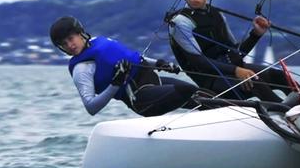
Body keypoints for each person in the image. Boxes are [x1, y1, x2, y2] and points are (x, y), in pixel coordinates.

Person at [166, 0, 296, 102]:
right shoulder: (180, 22)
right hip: (212, 82)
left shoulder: (217, 15)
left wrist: (256, 34)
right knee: (254, 81)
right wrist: (236, 71)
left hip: (231, 72)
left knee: (280, 76)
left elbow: (236, 53)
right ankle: (288, 114)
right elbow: (199, 62)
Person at [50, 16, 200, 117]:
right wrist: (116, 83)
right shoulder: (81, 69)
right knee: (187, 91)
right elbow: (91, 108)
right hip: (140, 98)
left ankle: (220, 114)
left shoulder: (98, 42)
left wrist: (159, 64)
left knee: (200, 93)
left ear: (80, 33)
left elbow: (133, 59)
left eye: (71, 39)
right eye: (64, 44)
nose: (70, 45)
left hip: (154, 81)